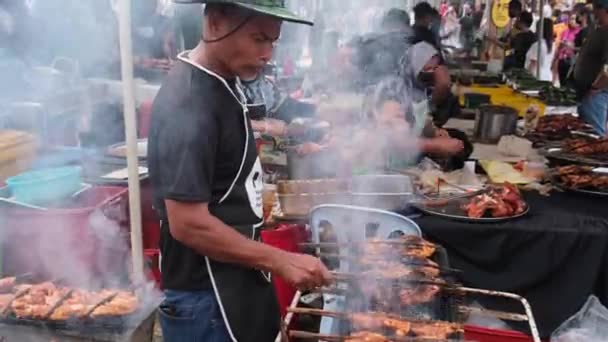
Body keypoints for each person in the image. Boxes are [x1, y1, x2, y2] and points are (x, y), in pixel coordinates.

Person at [147, 2, 332, 341]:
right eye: (259, 39)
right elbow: (187, 223)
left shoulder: (220, 80)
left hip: (233, 287)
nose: (268, 54)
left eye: (273, 42)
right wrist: (278, 259)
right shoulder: (189, 101)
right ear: (216, 23)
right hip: (206, 300)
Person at [572, 0, 608, 136]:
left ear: (604, 10)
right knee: (586, 134)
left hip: (596, 94)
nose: (593, 12)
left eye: (596, 8)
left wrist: (595, 88)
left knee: (593, 137)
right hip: (590, 91)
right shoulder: (600, 30)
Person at [553, 13, 580, 86]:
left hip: (571, 61)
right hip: (562, 59)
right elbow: (559, 46)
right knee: (562, 82)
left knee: (567, 83)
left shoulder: (579, 32)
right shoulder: (564, 31)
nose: (572, 21)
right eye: (571, 19)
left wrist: (569, 45)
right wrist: (555, 58)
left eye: (574, 19)